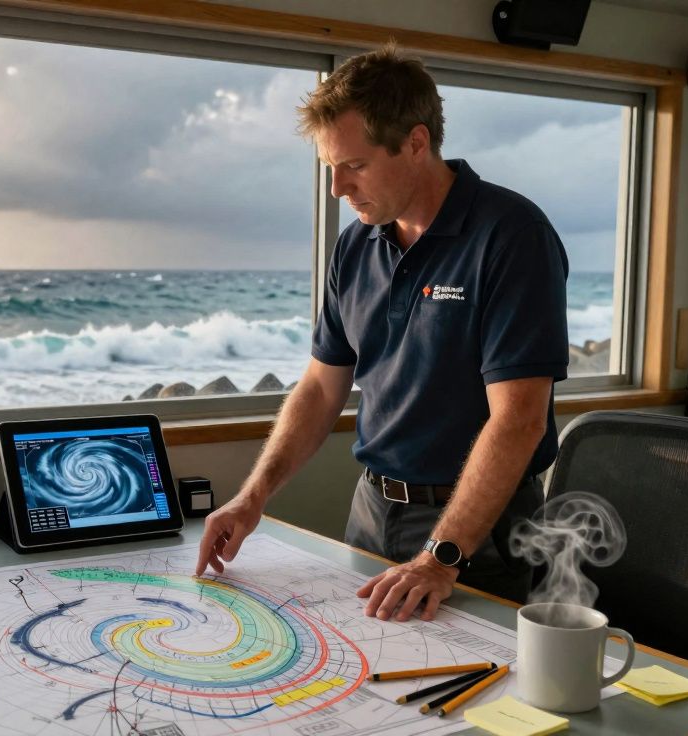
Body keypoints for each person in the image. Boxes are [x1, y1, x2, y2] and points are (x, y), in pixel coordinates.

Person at [193, 43, 569, 623]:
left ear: (416, 143)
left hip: (478, 531)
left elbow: (519, 419)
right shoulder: (355, 244)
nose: (339, 188)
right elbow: (321, 387)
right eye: (330, 168)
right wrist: (253, 497)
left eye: (356, 165)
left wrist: (440, 558)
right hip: (371, 509)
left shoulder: (510, 235)